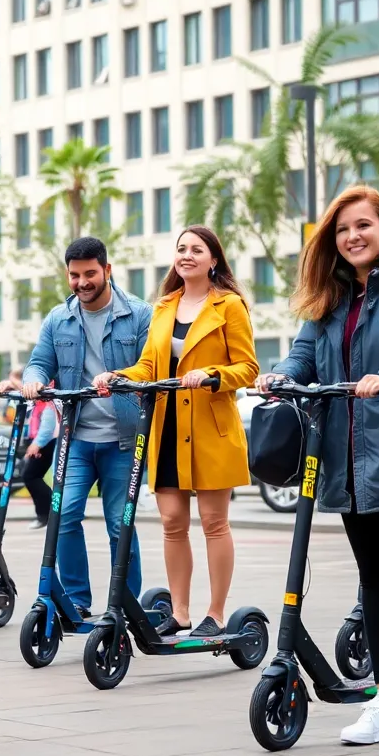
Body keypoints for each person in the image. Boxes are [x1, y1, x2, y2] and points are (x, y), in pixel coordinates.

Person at [257, 186, 379, 744]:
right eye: (343, 230)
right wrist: (280, 375)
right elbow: (303, 352)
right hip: (346, 454)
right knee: (372, 576)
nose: (353, 237)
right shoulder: (332, 294)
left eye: (364, 226)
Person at [95, 225, 259, 637]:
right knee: (171, 521)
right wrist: (120, 375)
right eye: (181, 248)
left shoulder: (230, 306)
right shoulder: (165, 306)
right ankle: (180, 612)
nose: (187, 255)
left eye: (196, 249)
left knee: (214, 522)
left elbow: (248, 368)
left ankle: (216, 614)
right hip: (167, 426)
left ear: (213, 260)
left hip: (210, 427)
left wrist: (211, 374)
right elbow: (149, 366)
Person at [16, 237, 150, 616]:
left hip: (124, 440)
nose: (82, 282)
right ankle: (77, 599)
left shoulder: (139, 315)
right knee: (65, 514)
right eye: (75, 275)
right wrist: (34, 379)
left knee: (117, 524)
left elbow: (150, 367)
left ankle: (124, 606)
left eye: (90, 273)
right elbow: (40, 361)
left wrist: (120, 377)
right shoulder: (58, 318)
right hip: (75, 439)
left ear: (107, 270)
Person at [21, 382, 58, 530]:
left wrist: (37, 444)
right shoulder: (37, 403)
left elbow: (48, 427)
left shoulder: (48, 402)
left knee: (30, 476)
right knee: (31, 476)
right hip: (38, 442)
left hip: (45, 444)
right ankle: (49, 513)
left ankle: (47, 513)